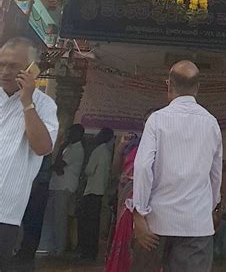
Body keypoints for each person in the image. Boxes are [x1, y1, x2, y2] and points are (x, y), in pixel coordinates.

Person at [130, 60, 222, 272]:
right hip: (196, 225)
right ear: (198, 88)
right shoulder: (211, 124)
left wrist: (140, 213)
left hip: (156, 223)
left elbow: (143, 167)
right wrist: (208, 209)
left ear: (169, 85)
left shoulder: (157, 120)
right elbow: (215, 175)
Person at [0, 37, 59, 271]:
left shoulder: (44, 105)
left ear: (30, 69)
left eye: (13, 66)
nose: (5, 71)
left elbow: (43, 147)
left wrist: (27, 103)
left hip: (5, 213)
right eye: (1, 63)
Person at [105, 109, 157, 272]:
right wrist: (120, 148)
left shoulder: (166, 148)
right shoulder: (134, 145)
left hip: (151, 206)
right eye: (147, 121)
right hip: (126, 203)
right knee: (125, 239)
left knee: (146, 249)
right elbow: (115, 171)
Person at [42, 124, 85, 257]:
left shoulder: (77, 149)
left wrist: (60, 147)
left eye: (71, 132)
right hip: (56, 186)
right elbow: (56, 167)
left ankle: (59, 249)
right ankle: (47, 247)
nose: (68, 135)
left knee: (60, 219)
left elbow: (59, 165)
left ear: (79, 134)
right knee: (49, 218)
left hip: (65, 187)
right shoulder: (70, 147)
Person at [78, 127, 115, 260]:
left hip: (92, 190)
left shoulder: (98, 151)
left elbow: (89, 170)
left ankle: (86, 252)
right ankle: (91, 251)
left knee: (87, 223)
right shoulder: (107, 152)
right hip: (101, 191)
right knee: (94, 223)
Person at [13, 155, 52, 269]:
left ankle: (27, 251)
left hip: (37, 185)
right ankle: (26, 250)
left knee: (32, 220)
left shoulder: (42, 149)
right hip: (37, 184)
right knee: (31, 220)